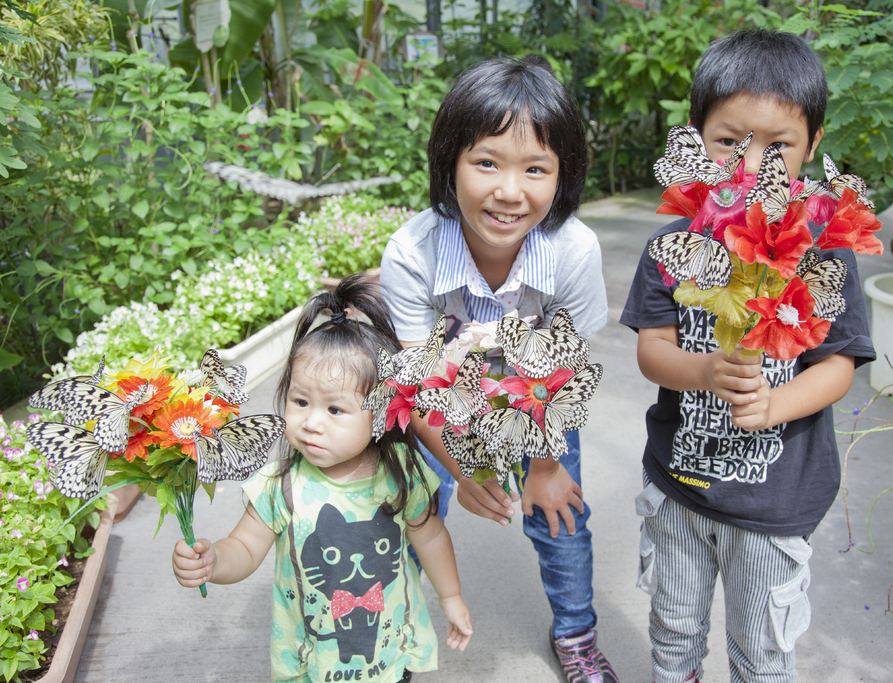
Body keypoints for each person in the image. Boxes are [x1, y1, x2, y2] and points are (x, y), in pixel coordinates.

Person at [620, 30, 876, 683]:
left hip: (774, 504)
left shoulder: (824, 248)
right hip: (680, 488)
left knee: (761, 654)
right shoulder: (675, 240)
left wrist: (773, 405)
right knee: (673, 634)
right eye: (729, 140)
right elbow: (654, 350)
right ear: (696, 134)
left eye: (778, 145)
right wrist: (705, 371)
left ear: (813, 144)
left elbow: (838, 365)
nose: (750, 164)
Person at [379, 56, 617, 682]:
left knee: (562, 514)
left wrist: (543, 466)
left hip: (541, 402)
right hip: (442, 405)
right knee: (412, 506)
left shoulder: (572, 250)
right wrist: (460, 467)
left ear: (561, 176)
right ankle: (392, 634)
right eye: (486, 162)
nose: (510, 191)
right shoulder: (412, 252)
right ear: (449, 162)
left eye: (535, 169)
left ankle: (576, 632)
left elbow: (569, 369)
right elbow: (412, 383)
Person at [171, 274, 473, 683]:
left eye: (335, 410)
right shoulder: (281, 484)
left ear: (382, 411)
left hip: (390, 652)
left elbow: (430, 536)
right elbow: (244, 547)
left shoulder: (397, 473)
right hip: (312, 659)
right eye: (300, 401)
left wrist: (450, 596)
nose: (311, 423)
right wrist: (213, 562)